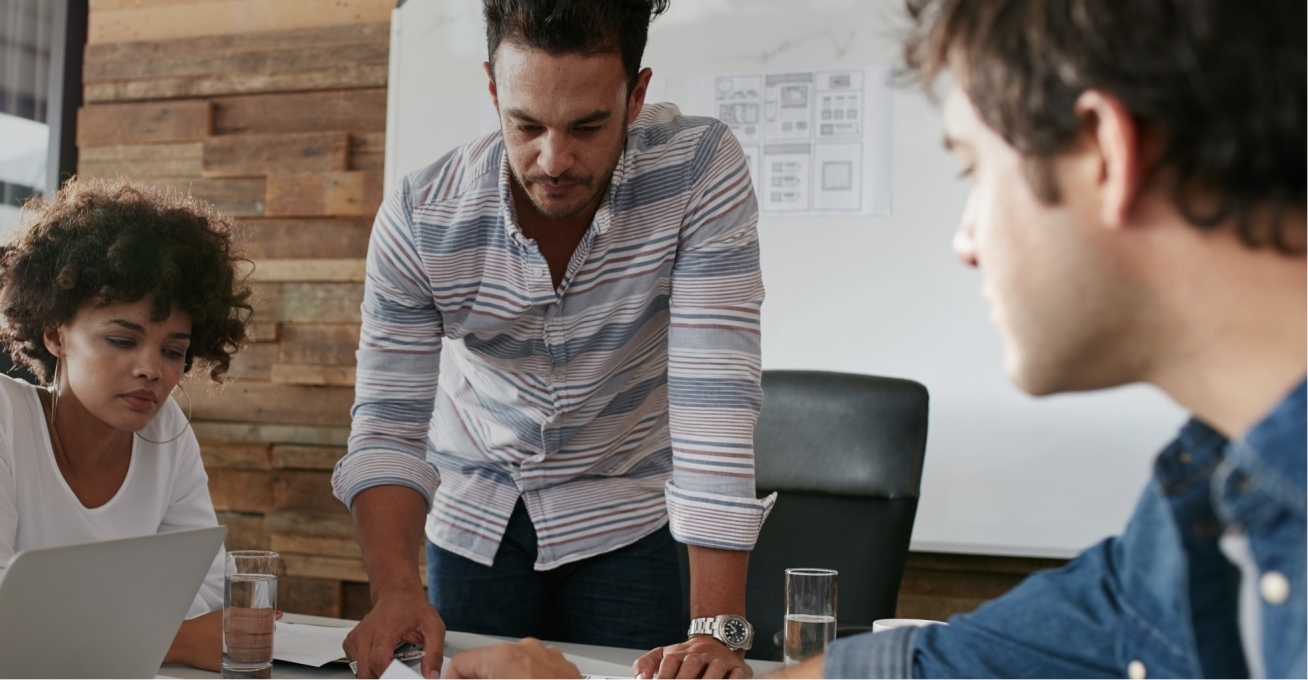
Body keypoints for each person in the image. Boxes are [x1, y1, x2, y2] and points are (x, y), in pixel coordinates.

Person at [446, 0, 1307, 677]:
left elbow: (711, 398)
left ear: (1106, 156)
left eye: (975, 171)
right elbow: (942, 666)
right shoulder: (1199, 518)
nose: (965, 240)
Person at [331, 0, 770, 678]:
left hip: (623, 510)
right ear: (493, 90)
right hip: (476, 514)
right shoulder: (423, 218)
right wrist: (396, 590)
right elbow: (388, 428)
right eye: (526, 124)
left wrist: (717, 633)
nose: (554, 159)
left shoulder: (698, 172)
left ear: (636, 94)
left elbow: (714, 403)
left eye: (589, 126)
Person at [0, 179, 252, 673]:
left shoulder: (166, 432)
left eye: (173, 350)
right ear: (56, 334)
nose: (152, 369)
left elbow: (210, 597)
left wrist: (85, 628)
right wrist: (177, 642)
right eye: (123, 340)